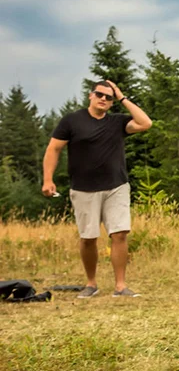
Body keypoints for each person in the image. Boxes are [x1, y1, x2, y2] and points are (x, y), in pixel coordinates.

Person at [42, 80, 152, 298]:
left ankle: (120, 286)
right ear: (90, 96)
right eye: (100, 95)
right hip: (84, 189)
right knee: (88, 237)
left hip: (116, 186)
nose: (103, 99)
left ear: (112, 102)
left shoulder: (118, 122)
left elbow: (145, 123)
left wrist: (122, 97)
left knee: (119, 233)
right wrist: (48, 179)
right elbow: (53, 148)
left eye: (108, 97)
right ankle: (91, 283)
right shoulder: (72, 121)